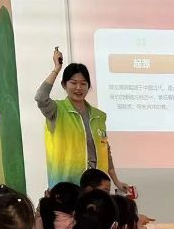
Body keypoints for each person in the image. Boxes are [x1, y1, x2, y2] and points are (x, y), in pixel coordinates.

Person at [37, 47, 131, 192]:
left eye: (83, 83)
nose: (78, 88)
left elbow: (106, 151)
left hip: (96, 187)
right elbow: (40, 97)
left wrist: (116, 181)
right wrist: (56, 69)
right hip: (66, 187)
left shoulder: (99, 116)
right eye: (73, 83)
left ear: (88, 86)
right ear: (64, 85)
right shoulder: (56, 110)